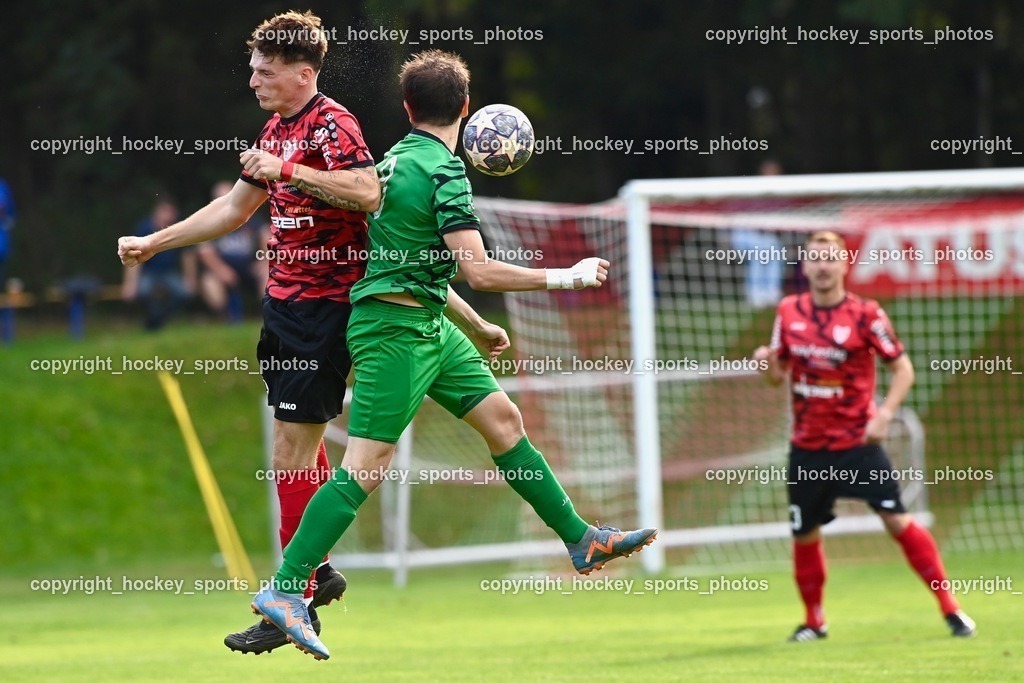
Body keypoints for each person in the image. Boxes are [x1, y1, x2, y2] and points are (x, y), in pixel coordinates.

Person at [249, 50, 658, 661]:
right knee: (365, 465)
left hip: (428, 328)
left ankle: (582, 539)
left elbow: (419, 267)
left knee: (503, 421)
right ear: (466, 111)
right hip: (393, 334)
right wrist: (566, 278)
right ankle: (286, 591)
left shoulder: (394, 162)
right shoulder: (446, 174)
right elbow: (479, 269)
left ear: (409, 108)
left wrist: (473, 323)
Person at [117, 10, 380, 654]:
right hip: (286, 308)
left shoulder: (331, 124)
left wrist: (286, 172)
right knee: (299, 446)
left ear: (303, 73)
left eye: (266, 72)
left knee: (289, 452)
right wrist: (157, 243)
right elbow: (234, 209)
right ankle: (312, 576)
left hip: (327, 307)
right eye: (253, 70)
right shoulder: (276, 128)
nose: (255, 81)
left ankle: (294, 597)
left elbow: (367, 191)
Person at [751, 230, 975, 642]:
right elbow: (777, 377)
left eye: (829, 258)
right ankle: (814, 621)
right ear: (805, 266)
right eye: (814, 258)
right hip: (808, 448)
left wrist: (885, 414)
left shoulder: (867, 314)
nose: (821, 265)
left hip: (857, 444)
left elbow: (903, 369)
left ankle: (952, 610)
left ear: (843, 265)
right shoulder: (788, 311)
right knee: (804, 533)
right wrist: (766, 363)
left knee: (896, 519)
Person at [197, 180, 269, 321]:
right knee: (209, 281)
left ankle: (267, 315)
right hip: (223, 267)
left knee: (268, 272)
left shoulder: (250, 216)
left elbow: (267, 237)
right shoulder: (209, 221)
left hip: (250, 267)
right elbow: (204, 250)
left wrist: (264, 261)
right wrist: (220, 269)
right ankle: (223, 317)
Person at [121, 198, 197, 330]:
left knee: (183, 293)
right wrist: (130, 283)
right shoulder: (144, 228)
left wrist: (190, 278)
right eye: (166, 212)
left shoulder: (178, 228)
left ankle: (160, 318)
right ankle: (153, 319)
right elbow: (133, 258)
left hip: (169, 272)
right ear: (156, 212)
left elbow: (187, 255)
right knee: (143, 291)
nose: (169, 216)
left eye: (171, 212)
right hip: (149, 272)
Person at [730, 159, 785, 308]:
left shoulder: (783, 193)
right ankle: (755, 294)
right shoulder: (751, 189)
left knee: (774, 248)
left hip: (764, 237)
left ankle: (772, 292)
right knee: (760, 250)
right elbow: (737, 217)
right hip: (743, 234)